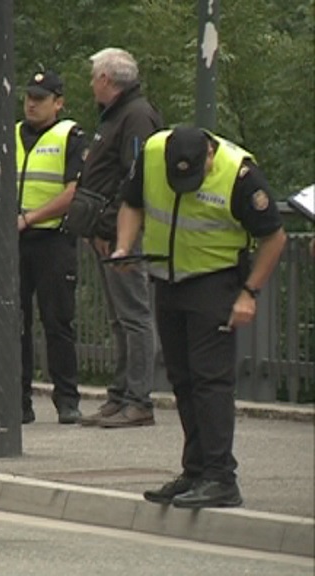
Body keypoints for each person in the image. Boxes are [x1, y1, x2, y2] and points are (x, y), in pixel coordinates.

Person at [113, 125, 286, 508]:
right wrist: (125, 246)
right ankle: (195, 471)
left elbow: (275, 237)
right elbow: (131, 202)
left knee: (211, 382)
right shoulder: (155, 151)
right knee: (183, 379)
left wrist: (249, 293)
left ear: (210, 154)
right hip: (167, 279)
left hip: (215, 283)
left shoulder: (240, 173)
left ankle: (221, 477)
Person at [76, 48, 164, 428]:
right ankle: (121, 391)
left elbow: (134, 176)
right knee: (119, 316)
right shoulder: (115, 116)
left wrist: (113, 227)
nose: (91, 82)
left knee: (134, 315)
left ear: (107, 80)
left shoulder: (136, 116)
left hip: (122, 232)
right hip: (105, 229)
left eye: (94, 76)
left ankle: (139, 398)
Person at [15, 69, 87, 425]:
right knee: (15, 323)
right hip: (13, 241)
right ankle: (19, 402)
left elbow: (74, 192)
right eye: (29, 97)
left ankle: (67, 400)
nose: (32, 104)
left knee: (57, 321)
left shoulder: (70, 137)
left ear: (58, 103)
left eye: (40, 99)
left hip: (52, 239)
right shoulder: (11, 134)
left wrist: (30, 217)